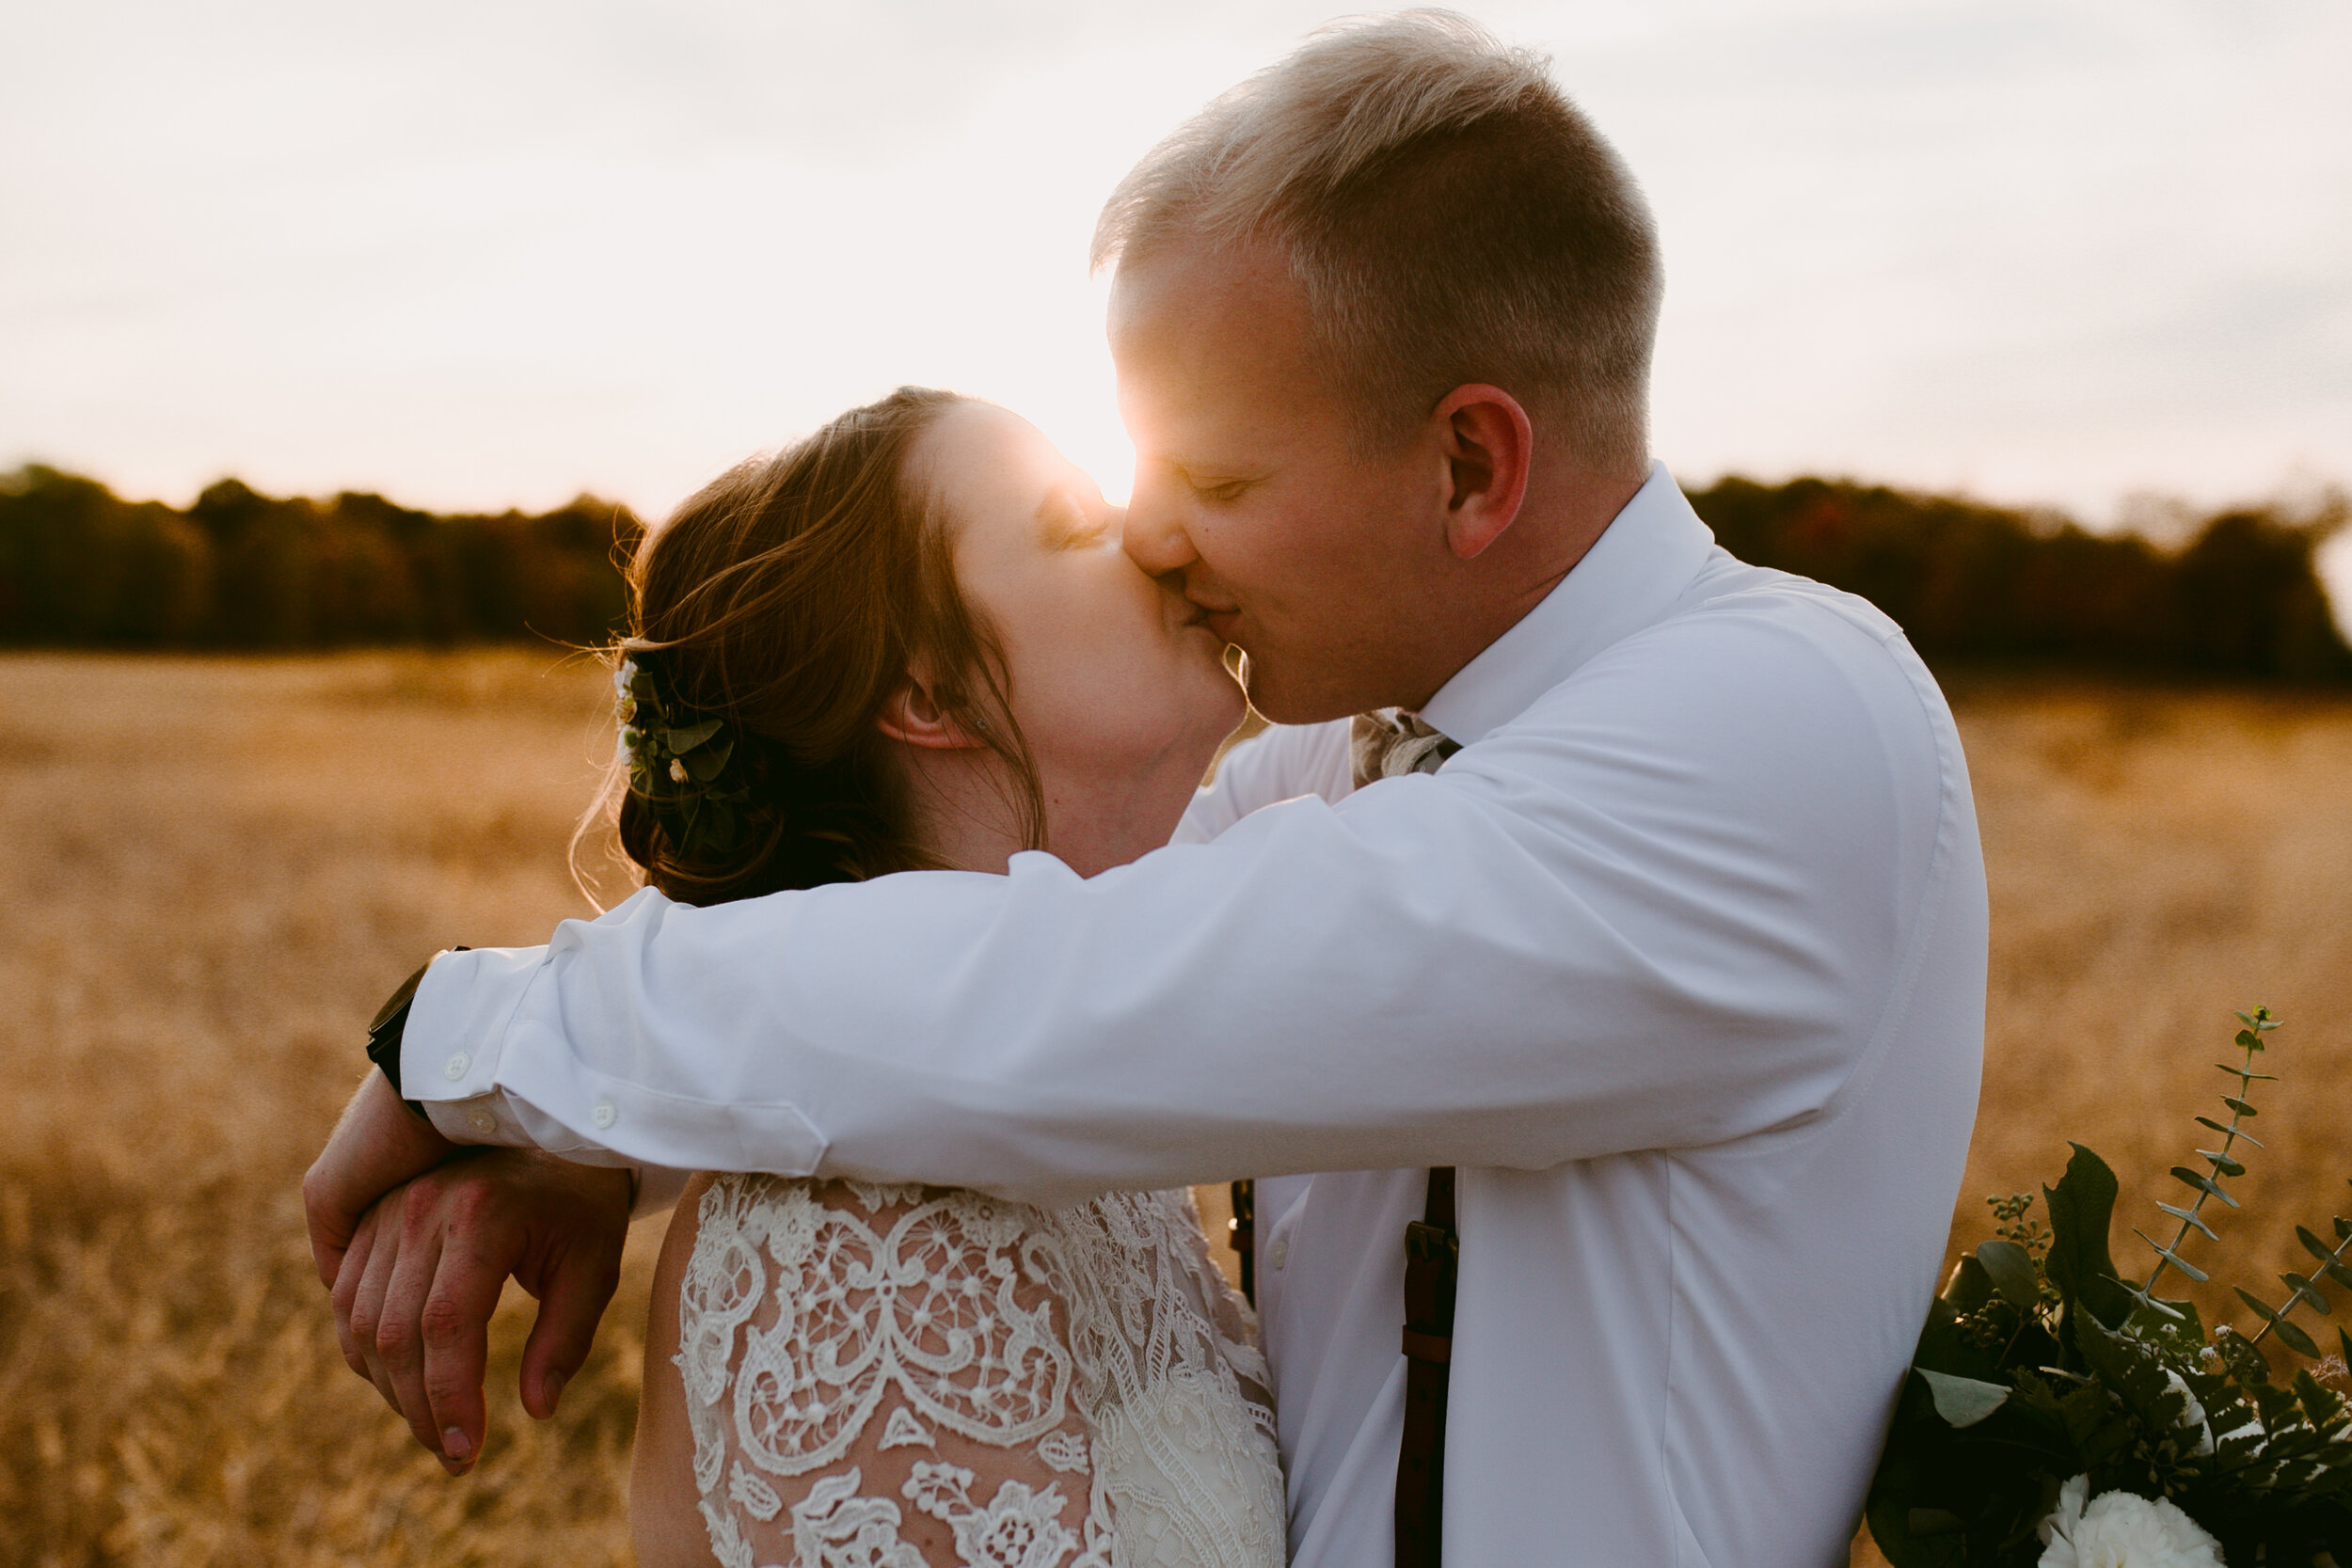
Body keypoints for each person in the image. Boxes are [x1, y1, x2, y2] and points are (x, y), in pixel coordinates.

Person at [305, 13, 1988, 1565]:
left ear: (1472, 465)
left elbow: (1066, 995)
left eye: (1219, 477)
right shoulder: (1343, 766)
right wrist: (597, 1132)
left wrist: (491, 1046)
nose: (1158, 536)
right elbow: (947, 930)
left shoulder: (1777, 727)